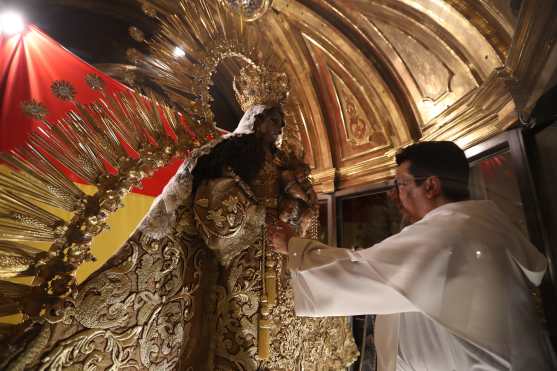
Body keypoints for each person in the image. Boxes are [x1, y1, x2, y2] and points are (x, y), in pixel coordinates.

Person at [2, 104, 357, 371]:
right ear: (255, 119)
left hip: (283, 262)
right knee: (241, 336)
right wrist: (257, 217)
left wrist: (296, 209)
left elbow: (304, 215)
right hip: (241, 263)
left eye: (282, 122)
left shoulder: (286, 165)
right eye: (271, 119)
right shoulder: (233, 153)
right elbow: (213, 202)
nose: (278, 128)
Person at [270, 141, 556, 371]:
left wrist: (294, 248)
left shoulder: (447, 234)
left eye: (401, 185)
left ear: (430, 186)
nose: (396, 196)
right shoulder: (483, 224)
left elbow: (363, 273)